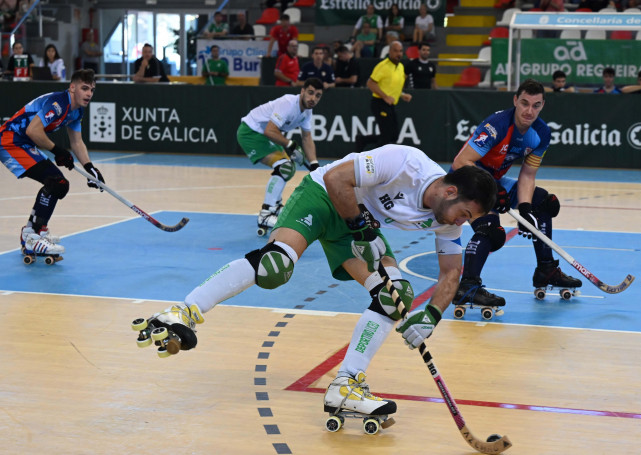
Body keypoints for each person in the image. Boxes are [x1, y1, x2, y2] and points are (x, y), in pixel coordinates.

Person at [140, 146, 497, 422]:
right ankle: (182, 312)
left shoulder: (447, 222)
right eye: (465, 214)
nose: (461, 223)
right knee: (274, 266)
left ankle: (346, 385)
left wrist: (431, 315)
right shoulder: (406, 163)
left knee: (395, 297)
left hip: (358, 225)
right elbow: (336, 179)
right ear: (450, 191)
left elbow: (451, 272)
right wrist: (359, 227)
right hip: (326, 197)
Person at [450, 78, 582, 310]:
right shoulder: (497, 125)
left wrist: (525, 208)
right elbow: (462, 162)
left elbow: (528, 175)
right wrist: (494, 189)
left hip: (496, 181)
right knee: (490, 230)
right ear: (515, 101)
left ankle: (546, 269)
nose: (529, 111)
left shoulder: (541, 133)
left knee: (544, 203)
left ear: (542, 105)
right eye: (524, 103)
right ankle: (467, 287)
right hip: (466, 181)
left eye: (536, 105)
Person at [0, 69, 105, 259]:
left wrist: (90, 168)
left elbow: (77, 142)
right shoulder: (59, 103)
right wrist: (58, 152)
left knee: (59, 185)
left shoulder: (77, 110)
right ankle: (34, 235)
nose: (88, 94)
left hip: (23, 143)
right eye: (84, 88)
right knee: (56, 182)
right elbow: (33, 131)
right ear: (72, 87)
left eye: (92, 90)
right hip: (9, 142)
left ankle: (33, 231)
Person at [236, 78, 323, 233]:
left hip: (265, 135)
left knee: (288, 168)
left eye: (317, 96)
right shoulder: (288, 103)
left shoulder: (307, 111)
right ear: (302, 91)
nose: (313, 98)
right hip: (251, 132)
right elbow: (269, 130)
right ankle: (266, 213)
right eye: (310, 93)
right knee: (285, 167)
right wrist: (291, 145)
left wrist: (314, 164)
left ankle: (275, 207)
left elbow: (306, 137)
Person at [355, 41, 412, 152]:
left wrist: (402, 95)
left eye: (400, 51)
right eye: (395, 51)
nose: (398, 53)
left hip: (390, 105)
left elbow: (391, 86)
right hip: (379, 102)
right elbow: (370, 83)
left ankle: (363, 140)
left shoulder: (400, 67)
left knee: (394, 135)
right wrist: (385, 97)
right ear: (390, 51)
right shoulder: (383, 66)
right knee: (386, 136)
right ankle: (375, 160)